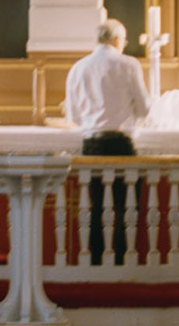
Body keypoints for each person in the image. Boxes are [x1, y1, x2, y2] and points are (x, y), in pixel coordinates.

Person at [64, 19, 152, 264]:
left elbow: (73, 116)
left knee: (96, 206)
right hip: (120, 144)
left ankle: (95, 262)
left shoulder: (78, 68)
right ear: (117, 40)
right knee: (125, 207)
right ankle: (123, 261)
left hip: (91, 144)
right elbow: (145, 109)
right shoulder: (128, 64)